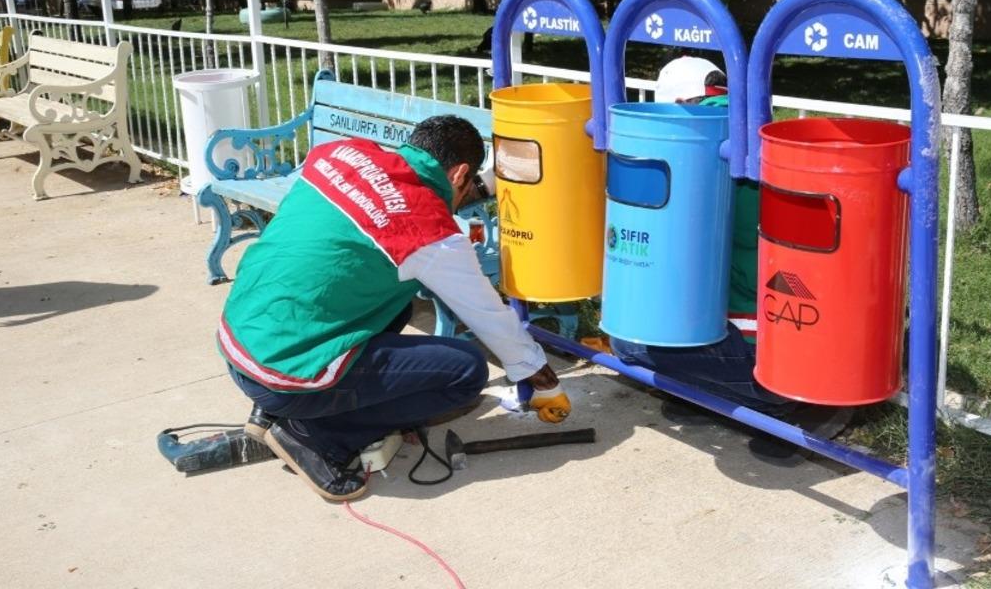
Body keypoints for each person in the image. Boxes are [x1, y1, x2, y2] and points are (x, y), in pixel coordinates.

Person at [220, 116, 569, 501]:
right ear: (460, 174)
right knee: (465, 373)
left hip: (242, 343)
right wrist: (537, 372)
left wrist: (477, 186)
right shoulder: (427, 232)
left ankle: (276, 411)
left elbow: (400, 198)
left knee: (396, 304)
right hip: (288, 374)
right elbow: (488, 315)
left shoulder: (338, 155)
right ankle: (316, 434)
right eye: (468, 184)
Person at [611, 57, 851, 453]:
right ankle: (716, 395)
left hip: (767, 343)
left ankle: (794, 407)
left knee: (630, 342)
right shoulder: (760, 133)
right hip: (808, 330)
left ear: (677, 105)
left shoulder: (693, 150)